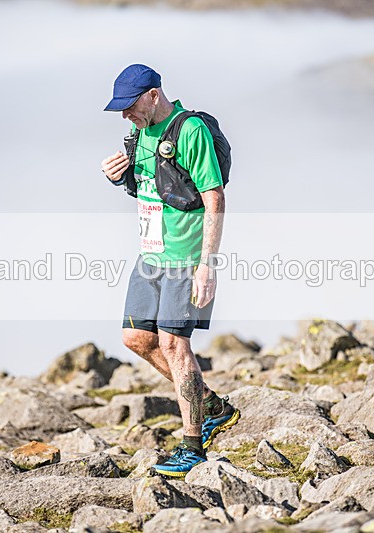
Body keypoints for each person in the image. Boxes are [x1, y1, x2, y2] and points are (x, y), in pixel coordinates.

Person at [101, 64, 240, 477]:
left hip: (185, 258)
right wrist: (117, 176)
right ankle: (211, 407)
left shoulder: (190, 130)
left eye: (130, 106)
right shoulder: (139, 134)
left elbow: (214, 199)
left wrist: (207, 265)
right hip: (149, 256)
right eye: (121, 110)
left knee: (175, 346)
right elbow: (153, 189)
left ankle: (193, 445)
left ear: (153, 94)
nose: (126, 115)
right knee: (137, 338)